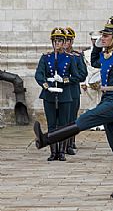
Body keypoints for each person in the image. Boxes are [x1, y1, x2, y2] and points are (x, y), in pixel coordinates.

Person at [34, 16, 113, 198]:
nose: (103, 38)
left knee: (85, 119)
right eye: (102, 35)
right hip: (107, 98)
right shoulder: (109, 55)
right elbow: (95, 61)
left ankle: (46, 139)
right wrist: (98, 46)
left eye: (106, 36)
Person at [34, 27, 80, 161]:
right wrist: (46, 84)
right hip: (49, 94)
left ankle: (61, 152)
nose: (57, 44)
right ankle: (53, 152)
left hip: (64, 94)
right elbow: (39, 74)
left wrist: (64, 80)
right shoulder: (45, 57)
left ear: (64, 42)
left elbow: (76, 76)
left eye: (60, 41)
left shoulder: (69, 58)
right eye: (55, 41)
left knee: (64, 124)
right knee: (52, 124)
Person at [64, 27, 88, 155]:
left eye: (68, 40)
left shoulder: (77, 56)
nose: (65, 43)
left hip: (72, 91)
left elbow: (83, 74)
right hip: (59, 93)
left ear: (72, 41)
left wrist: (68, 79)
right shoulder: (56, 56)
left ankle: (70, 142)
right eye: (64, 40)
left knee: (71, 119)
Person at [82, 31, 104, 131]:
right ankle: (92, 123)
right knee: (91, 104)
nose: (95, 42)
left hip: (102, 80)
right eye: (93, 39)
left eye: (97, 39)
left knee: (102, 103)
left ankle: (101, 123)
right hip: (90, 80)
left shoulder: (105, 52)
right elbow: (84, 68)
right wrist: (83, 82)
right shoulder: (86, 52)